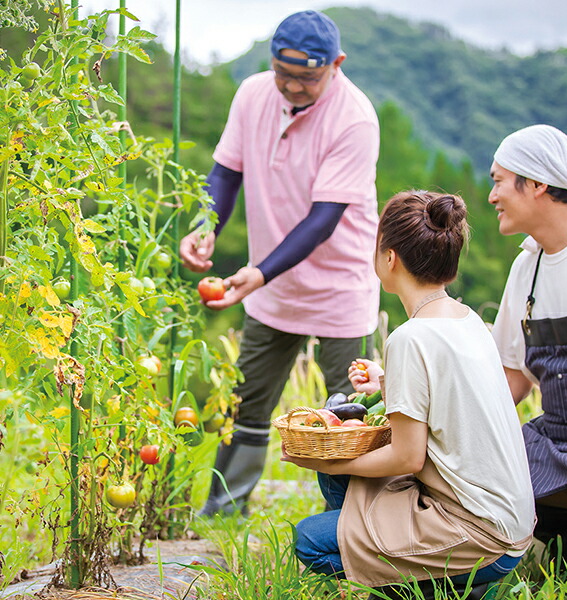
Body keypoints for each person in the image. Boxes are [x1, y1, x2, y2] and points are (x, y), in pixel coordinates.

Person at [283, 190, 535, 594]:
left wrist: (330, 464)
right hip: (510, 522)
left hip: (478, 533)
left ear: (389, 257)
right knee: (346, 471)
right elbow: (452, 392)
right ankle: (391, 550)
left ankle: (435, 586)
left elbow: (407, 456)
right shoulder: (467, 320)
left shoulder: (410, 338)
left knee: (312, 540)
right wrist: (388, 380)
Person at [179, 10, 380, 516]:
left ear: (336, 64)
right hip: (271, 282)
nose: (291, 86)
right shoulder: (252, 94)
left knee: (349, 413)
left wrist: (259, 271)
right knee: (247, 400)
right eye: (282, 73)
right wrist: (207, 227)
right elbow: (225, 172)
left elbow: (324, 219)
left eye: (307, 77)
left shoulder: (355, 118)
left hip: (340, 286)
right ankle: (224, 510)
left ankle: (354, 521)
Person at [489, 124, 567, 563]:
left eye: (498, 181)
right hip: (555, 442)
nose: (492, 195)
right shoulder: (526, 268)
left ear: (535, 184)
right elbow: (511, 379)